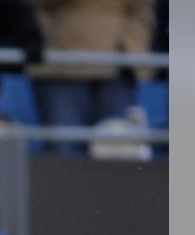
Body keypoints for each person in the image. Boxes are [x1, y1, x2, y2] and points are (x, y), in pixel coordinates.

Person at [28, 0, 155, 154]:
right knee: (64, 151)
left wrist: (135, 44)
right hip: (60, 61)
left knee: (116, 152)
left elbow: (142, 9)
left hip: (120, 62)